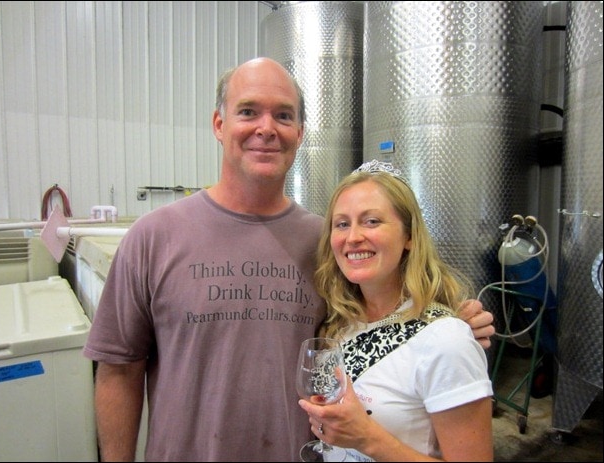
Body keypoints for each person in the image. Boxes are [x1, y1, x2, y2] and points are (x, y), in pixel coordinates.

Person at [82, 58, 494, 462]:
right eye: (248, 111)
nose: (266, 128)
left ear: (299, 133)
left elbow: (380, 311)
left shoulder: (324, 243)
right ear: (219, 124)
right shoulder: (153, 237)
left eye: (283, 115)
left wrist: (448, 322)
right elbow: (118, 369)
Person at [298, 160, 494, 462]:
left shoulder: (446, 340)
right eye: (342, 224)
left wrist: (367, 438)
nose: (353, 237)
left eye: (372, 221)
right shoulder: (339, 321)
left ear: (409, 236)